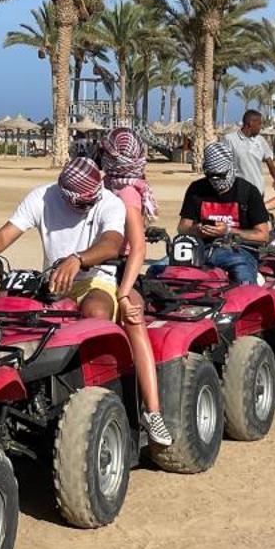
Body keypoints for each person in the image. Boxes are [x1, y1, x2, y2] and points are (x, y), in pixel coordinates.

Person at [0, 156, 130, 318]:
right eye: (83, 203)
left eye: (92, 201)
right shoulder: (41, 197)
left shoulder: (110, 203)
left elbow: (111, 244)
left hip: (94, 281)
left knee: (96, 312)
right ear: (63, 193)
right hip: (51, 281)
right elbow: (5, 235)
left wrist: (78, 259)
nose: (89, 205)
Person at [95, 128, 173, 449]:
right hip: (94, 265)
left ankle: (153, 412)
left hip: (120, 270)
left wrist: (124, 292)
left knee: (135, 321)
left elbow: (137, 249)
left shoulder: (127, 193)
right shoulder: (99, 184)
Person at [175, 139, 273, 285]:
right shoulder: (196, 189)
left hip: (238, 250)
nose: (215, 180)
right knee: (161, 272)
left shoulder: (248, 192)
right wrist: (196, 230)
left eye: (220, 176)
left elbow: (263, 235)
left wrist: (228, 231)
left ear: (231, 169)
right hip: (199, 248)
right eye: (210, 175)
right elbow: (182, 227)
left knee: (242, 277)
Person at [220, 109, 275, 192]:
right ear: (250, 123)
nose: (261, 127)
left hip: (258, 191)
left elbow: (270, 163)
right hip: (239, 192)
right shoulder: (229, 140)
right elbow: (222, 165)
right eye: (259, 123)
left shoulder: (260, 140)